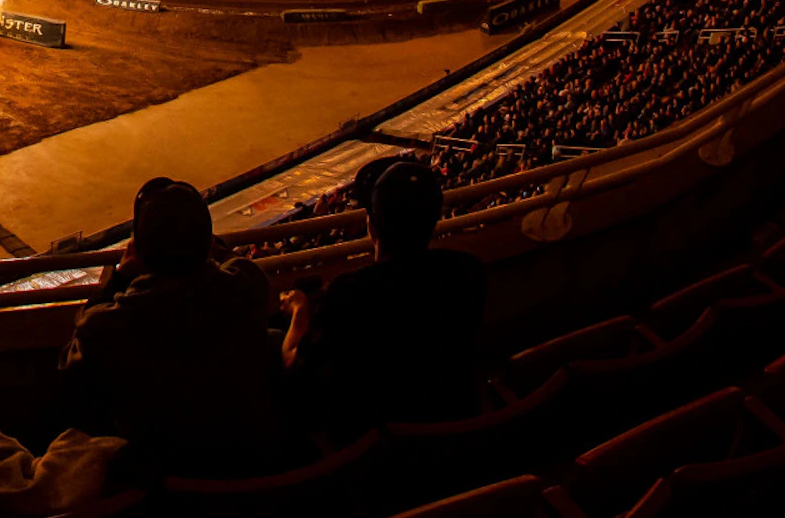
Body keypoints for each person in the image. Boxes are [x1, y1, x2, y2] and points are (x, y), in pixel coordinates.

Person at [59, 177, 294, 478]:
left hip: (164, 483)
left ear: (139, 253)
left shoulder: (107, 326)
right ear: (207, 240)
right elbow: (230, 261)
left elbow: (69, 369)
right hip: (255, 465)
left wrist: (118, 277)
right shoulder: (247, 285)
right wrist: (200, 240)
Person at [283, 157, 485, 438]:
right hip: (463, 437)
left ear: (372, 227)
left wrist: (298, 308)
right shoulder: (466, 270)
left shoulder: (349, 294)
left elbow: (294, 364)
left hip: (381, 455)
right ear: (435, 219)